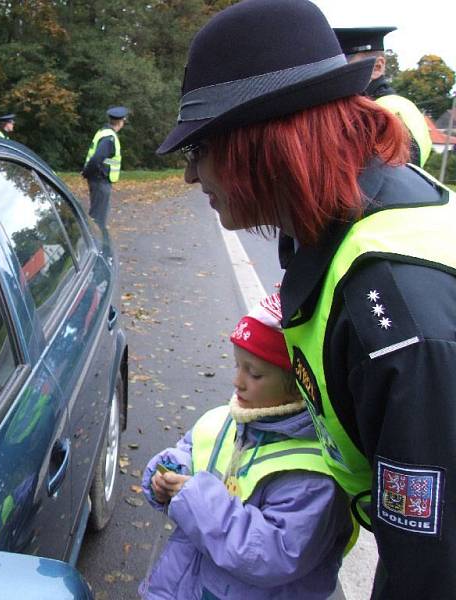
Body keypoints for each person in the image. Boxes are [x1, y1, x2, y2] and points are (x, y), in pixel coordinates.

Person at [157, 0, 456, 597]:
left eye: (200, 151)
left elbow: (431, 567)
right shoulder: (334, 224)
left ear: (260, 146)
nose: (193, 177)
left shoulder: (398, 316)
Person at [140, 293, 352, 599]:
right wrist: (170, 471)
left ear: (297, 387)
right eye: (238, 365)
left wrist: (193, 497)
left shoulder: (312, 473)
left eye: (254, 373)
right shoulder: (227, 419)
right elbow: (192, 450)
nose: (237, 381)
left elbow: (271, 554)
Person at [333, 26, 432, 167]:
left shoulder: (383, 113)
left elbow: (389, 178)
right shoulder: (399, 105)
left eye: (345, 64)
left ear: (377, 67)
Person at [81, 106, 128, 227]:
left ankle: (93, 239)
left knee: (97, 214)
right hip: (100, 180)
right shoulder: (109, 138)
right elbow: (97, 158)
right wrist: (87, 171)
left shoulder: (103, 132)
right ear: (121, 121)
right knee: (98, 218)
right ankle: (94, 243)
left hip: (98, 178)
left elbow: (104, 159)